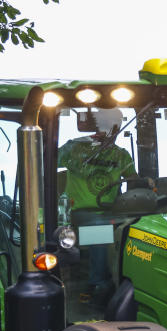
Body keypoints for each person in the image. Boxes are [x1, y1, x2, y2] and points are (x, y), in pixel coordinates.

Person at [58, 109, 137, 307]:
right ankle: (98, 285)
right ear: (96, 125)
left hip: (111, 213)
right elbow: (45, 161)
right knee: (99, 227)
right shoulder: (75, 147)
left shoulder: (121, 155)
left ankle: (131, 284)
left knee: (136, 228)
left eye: (115, 125)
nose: (111, 130)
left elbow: (133, 181)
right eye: (106, 124)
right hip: (78, 214)